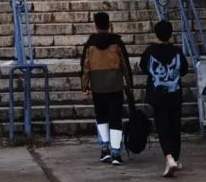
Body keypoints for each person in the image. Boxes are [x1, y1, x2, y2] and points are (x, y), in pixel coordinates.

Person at [80, 11, 134, 167]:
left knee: (101, 116)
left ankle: (105, 149)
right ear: (109, 24)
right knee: (115, 117)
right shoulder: (117, 42)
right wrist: (129, 84)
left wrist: (84, 85)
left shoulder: (90, 43)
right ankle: (116, 153)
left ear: (95, 25)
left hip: (97, 86)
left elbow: (85, 66)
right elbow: (125, 64)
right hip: (115, 85)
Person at [140, 20, 190, 177]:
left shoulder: (150, 51)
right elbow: (184, 69)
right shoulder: (177, 51)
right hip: (174, 95)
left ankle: (169, 157)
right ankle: (175, 157)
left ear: (156, 33)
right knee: (175, 127)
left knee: (163, 128)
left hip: (158, 96)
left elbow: (144, 68)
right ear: (171, 34)